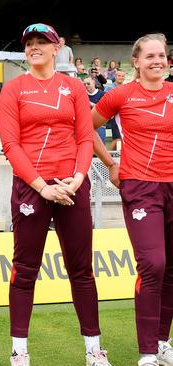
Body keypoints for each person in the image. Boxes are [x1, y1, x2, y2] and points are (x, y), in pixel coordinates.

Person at [0, 23, 112, 366]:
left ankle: (94, 349)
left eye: (41, 43)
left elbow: (84, 137)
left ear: (56, 47)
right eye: (29, 43)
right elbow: (10, 144)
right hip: (33, 187)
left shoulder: (73, 87)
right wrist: (42, 186)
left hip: (72, 185)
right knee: (25, 269)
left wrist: (77, 179)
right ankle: (19, 351)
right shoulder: (13, 89)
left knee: (81, 269)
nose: (34, 48)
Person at [91, 33, 173, 366]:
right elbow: (86, 127)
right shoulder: (121, 95)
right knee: (153, 264)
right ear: (135, 62)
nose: (157, 61)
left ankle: (162, 342)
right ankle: (148, 352)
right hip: (140, 187)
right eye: (150, 56)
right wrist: (111, 163)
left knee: (171, 269)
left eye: (162, 55)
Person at [104, 69, 126, 150]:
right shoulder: (109, 88)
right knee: (117, 138)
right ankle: (112, 156)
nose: (121, 77)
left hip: (124, 116)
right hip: (114, 116)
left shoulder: (126, 88)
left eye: (122, 76)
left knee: (123, 139)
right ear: (115, 76)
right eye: (119, 75)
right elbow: (105, 102)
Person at [83, 76, 106, 142]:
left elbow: (104, 109)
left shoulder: (103, 94)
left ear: (94, 83)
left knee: (99, 150)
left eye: (88, 83)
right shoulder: (82, 94)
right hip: (85, 125)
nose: (86, 86)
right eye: (84, 84)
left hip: (99, 125)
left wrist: (91, 104)